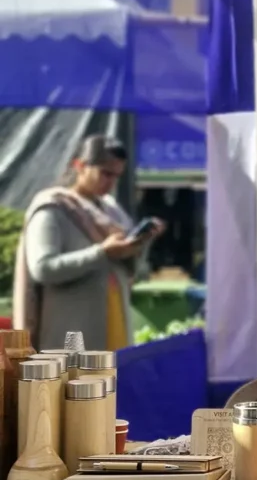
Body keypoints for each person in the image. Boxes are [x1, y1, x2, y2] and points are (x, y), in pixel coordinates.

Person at [13, 136, 166, 351]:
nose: (111, 183)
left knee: (111, 383)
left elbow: (133, 273)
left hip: (113, 321)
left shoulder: (112, 212)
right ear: (80, 166)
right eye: (105, 173)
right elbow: (43, 269)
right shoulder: (53, 207)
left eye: (117, 176)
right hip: (71, 334)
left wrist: (142, 243)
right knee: (75, 384)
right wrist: (102, 252)